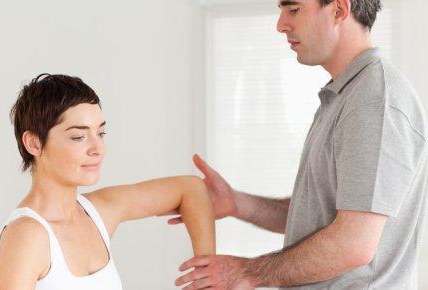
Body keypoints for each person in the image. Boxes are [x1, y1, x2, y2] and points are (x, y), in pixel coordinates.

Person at [171, 0, 428, 289]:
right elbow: (325, 218)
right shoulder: (346, 95)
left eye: (293, 10)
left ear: (338, 11)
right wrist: (237, 203)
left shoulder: (373, 102)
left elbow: (354, 243)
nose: (280, 24)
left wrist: (247, 271)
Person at [0, 73, 215, 290]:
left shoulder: (97, 212)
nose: (98, 149)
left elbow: (191, 188)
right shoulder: (27, 235)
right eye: (79, 137)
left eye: (101, 133)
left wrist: (207, 278)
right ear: (34, 143)